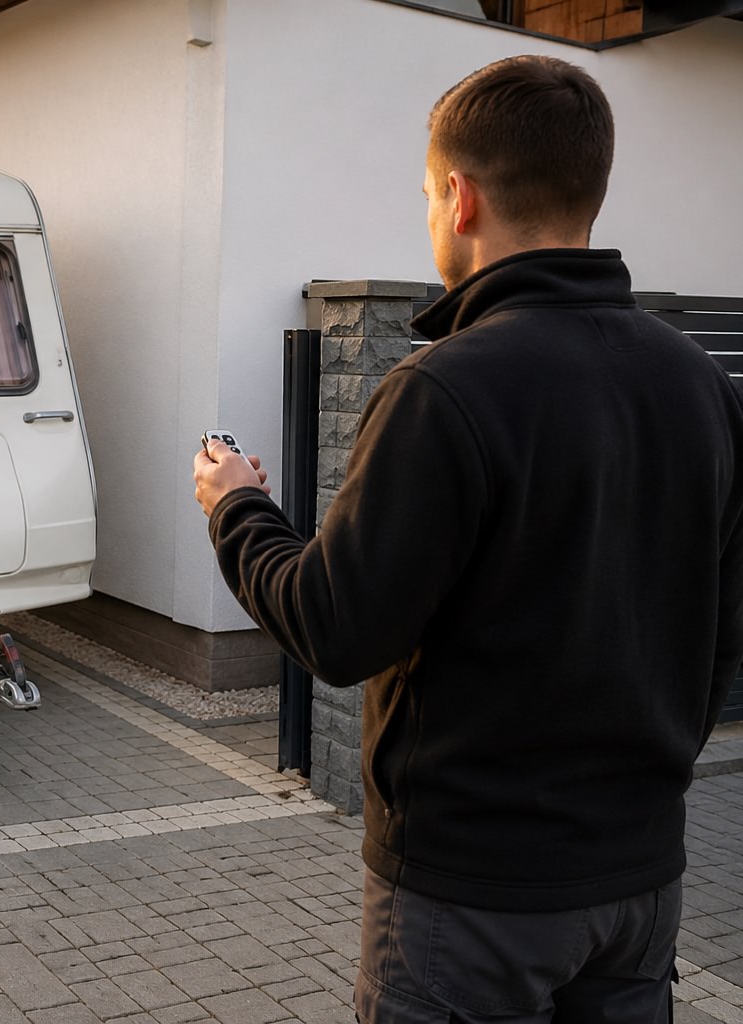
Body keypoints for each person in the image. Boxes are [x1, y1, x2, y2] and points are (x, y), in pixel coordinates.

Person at [192, 55, 743, 1022]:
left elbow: (337, 626)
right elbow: (727, 634)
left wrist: (236, 507)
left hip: (472, 897)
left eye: (426, 194)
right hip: (641, 882)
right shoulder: (702, 386)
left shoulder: (447, 390)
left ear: (460, 196)